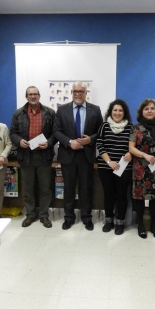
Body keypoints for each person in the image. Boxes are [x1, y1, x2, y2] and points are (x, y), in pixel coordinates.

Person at [53, 82, 103, 231]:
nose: (78, 94)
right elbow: (56, 131)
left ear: (86, 93)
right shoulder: (62, 110)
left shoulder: (95, 109)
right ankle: (69, 217)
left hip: (86, 155)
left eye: (81, 91)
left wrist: (90, 139)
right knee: (68, 188)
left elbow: (100, 131)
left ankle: (86, 217)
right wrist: (69, 142)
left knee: (86, 188)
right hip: (68, 155)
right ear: (72, 92)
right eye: (75, 91)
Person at [10, 86, 56, 228]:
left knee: (45, 188)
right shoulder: (18, 114)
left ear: (39, 95)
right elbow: (12, 133)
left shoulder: (50, 112)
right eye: (30, 94)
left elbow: (56, 133)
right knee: (28, 188)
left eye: (35, 94)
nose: (33, 96)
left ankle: (44, 215)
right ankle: (30, 215)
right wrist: (19, 141)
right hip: (26, 156)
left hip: (44, 156)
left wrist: (48, 143)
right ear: (26, 97)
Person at [129, 99, 155, 239]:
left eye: (152, 108)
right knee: (139, 198)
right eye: (146, 108)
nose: (149, 110)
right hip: (140, 168)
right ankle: (140, 225)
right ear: (141, 112)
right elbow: (131, 148)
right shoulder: (135, 128)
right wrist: (144, 154)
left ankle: (154, 225)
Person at [96, 99, 133, 235]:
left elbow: (134, 146)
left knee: (122, 195)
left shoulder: (130, 127)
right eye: (115, 110)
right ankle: (109, 221)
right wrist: (109, 162)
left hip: (124, 168)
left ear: (125, 113)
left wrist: (131, 153)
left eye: (120, 110)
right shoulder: (104, 126)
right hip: (106, 167)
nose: (117, 113)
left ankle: (120, 222)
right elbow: (100, 145)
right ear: (111, 112)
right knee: (109, 195)